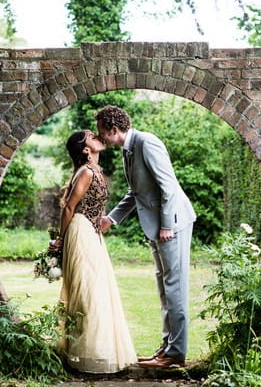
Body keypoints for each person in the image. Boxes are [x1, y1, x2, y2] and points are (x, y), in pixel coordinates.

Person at [95, 105, 196, 369]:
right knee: (164, 288)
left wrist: (166, 225)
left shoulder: (147, 143)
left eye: (102, 132)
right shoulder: (128, 148)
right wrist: (112, 218)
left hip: (172, 225)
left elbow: (169, 187)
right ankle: (166, 349)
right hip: (158, 227)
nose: (101, 138)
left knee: (174, 288)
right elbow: (136, 192)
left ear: (113, 129)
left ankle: (176, 354)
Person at [52, 129, 136, 373]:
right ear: (86, 150)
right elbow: (69, 207)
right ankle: (83, 357)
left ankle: (94, 354)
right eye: (90, 135)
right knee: (88, 292)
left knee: (97, 290)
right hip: (80, 232)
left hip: (91, 232)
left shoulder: (94, 170)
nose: (96, 135)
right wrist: (60, 240)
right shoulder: (87, 171)